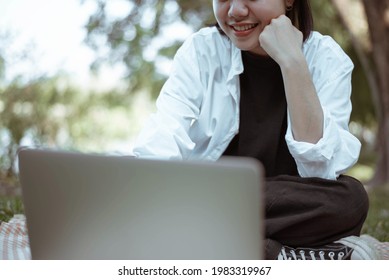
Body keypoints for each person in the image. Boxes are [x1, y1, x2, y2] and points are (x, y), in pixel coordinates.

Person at [132, 0, 377, 259]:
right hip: (213, 193)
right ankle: (276, 254)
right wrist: (151, 190)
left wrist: (293, 63)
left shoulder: (326, 57)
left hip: (283, 203)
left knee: (351, 199)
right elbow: (164, 133)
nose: (235, 10)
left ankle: (199, 237)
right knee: (136, 179)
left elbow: (321, 170)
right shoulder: (201, 50)